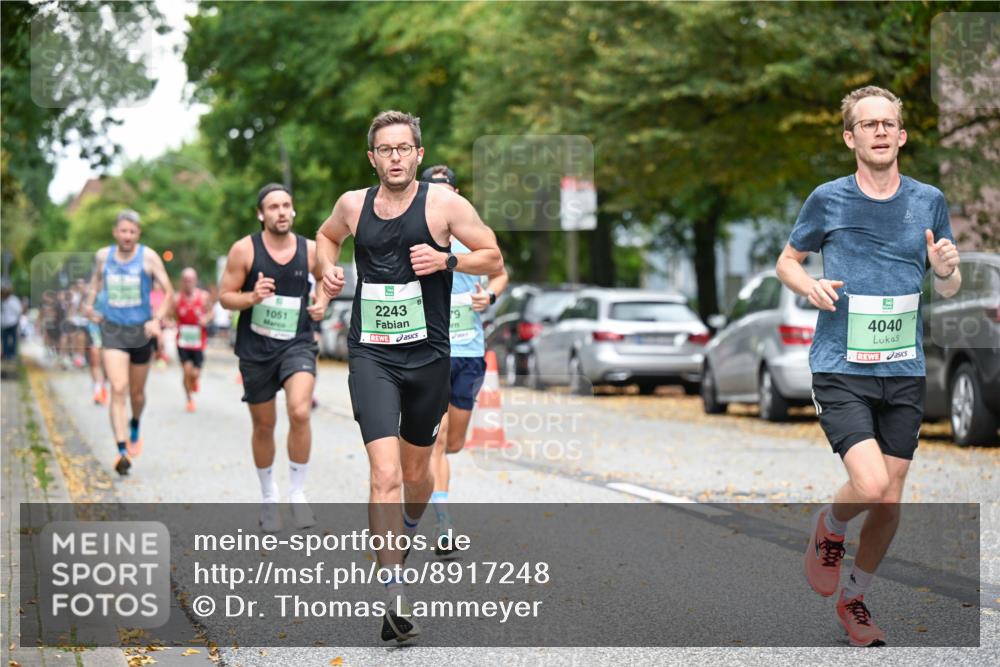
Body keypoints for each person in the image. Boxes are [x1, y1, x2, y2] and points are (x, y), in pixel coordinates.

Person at [775, 86, 961, 647]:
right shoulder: (827, 199)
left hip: (903, 365)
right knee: (871, 482)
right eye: (868, 124)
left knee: (890, 496)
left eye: (888, 123)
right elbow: (788, 261)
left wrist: (947, 269)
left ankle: (854, 597)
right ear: (850, 137)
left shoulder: (928, 200)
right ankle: (830, 527)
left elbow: (947, 283)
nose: (879, 131)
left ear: (901, 135)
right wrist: (807, 284)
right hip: (841, 364)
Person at [316, 111, 503, 642]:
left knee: (418, 477)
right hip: (371, 354)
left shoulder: (444, 204)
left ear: (418, 154)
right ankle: (394, 594)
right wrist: (326, 268)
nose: (394, 157)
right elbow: (326, 238)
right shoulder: (352, 204)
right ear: (371, 157)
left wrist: (447, 262)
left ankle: (411, 531)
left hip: (427, 357)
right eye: (385, 149)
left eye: (404, 148)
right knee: (385, 474)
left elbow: (492, 254)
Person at [219, 183, 326, 534]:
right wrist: (252, 297)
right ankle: (269, 496)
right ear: (261, 214)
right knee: (264, 425)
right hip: (256, 349)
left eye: (286, 205)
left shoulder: (310, 250)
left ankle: (297, 492)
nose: (281, 212)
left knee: (299, 410)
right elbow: (225, 297)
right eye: (273, 207)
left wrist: (322, 302)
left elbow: (328, 282)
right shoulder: (244, 250)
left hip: (297, 343)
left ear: (293, 210)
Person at [421, 166, 508, 556]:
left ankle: (425, 481)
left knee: (454, 442)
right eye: (432, 190)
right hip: (433, 353)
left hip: (469, 353)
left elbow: (500, 273)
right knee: (437, 441)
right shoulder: (417, 236)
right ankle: (443, 526)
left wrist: (488, 297)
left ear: (456, 193)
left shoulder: (473, 235)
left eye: (446, 190)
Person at [84, 210, 174, 476]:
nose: (127, 236)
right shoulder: (103, 256)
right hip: (112, 329)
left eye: (132, 232)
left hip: (140, 331)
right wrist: (89, 305)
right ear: (115, 232)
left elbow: (168, 291)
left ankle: (135, 424)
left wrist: (156, 319)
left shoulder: (148, 257)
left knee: (137, 394)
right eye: (123, 231)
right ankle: (121, 450)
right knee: (119, 388)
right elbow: (95, 284)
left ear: (138, 234)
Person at [171, 267, 213, 412]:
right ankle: (189, 400)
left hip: (198, 341)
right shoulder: (176, 298)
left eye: (191, 280)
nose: (188, 283)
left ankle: (194, 380)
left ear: (195, 280)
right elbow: (171, 316)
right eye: (185, 280)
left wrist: (205, 319)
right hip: (182, 341)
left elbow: (211, 312)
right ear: (182, 282)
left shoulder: (203, 296)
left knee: (195, 373)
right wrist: (171, 322)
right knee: (187, 370)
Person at [1, 283, 22, 378]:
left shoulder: (13, 300)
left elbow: (18, 311)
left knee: (13, 339)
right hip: (4, 323)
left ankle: (12, 354)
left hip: (12, 322)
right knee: (4, 339)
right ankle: (6, 354)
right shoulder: (3, 301)